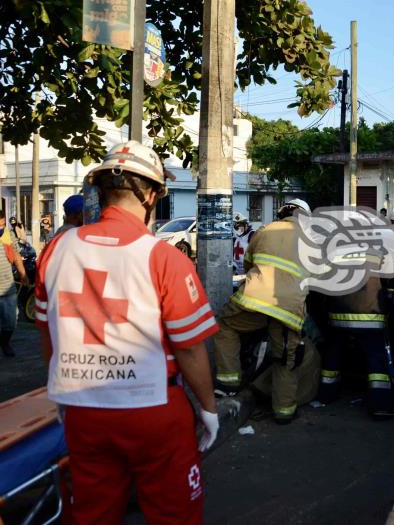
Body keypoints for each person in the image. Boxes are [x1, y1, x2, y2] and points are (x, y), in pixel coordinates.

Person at [35, 141, 219, 523]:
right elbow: (189, 349)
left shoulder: (56, 251)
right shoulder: (164, 257)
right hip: (152, 410)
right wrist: (208, 408)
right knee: (175, 514)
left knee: (93, 513)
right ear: (151, 195)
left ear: (100, 191)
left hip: (85, 410)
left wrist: (63, 393)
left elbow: (48, 334)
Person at [213, 198, 316, 425]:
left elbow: (248, 264)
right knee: (286, 359)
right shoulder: (311, 240)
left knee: (226, 325)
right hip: (288, 310)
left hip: (254, 300)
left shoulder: (265, 230)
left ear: (282, 213)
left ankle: (228, 381)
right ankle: (284, 411)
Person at [318, 276, 394, 418]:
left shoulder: (334, 252)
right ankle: (381, 405)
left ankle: (326, 395)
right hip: (369, 314)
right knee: (377, 362)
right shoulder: (378, 252)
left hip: (338, 312)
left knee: (333, 356)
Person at [0, 211, 28, 357]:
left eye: (3, 223)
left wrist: (23, 274)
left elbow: (16, 255)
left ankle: (5, 342)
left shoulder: (8, 234)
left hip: (7, 286)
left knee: (11, 321)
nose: (2, 226)